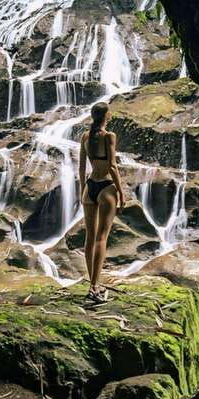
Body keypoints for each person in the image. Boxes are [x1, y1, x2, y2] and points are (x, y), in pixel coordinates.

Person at [78, 101, 125, 303]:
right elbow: (113, 166)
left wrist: (83, 190)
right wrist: (121, 193)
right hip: (106, 187)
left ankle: (93, 284)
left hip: (90, 188)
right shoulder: (109, 136)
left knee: (89, 238)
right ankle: (94, 288)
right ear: (106, 116)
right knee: (101, 238)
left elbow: (81, 168)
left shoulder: (85, 137)